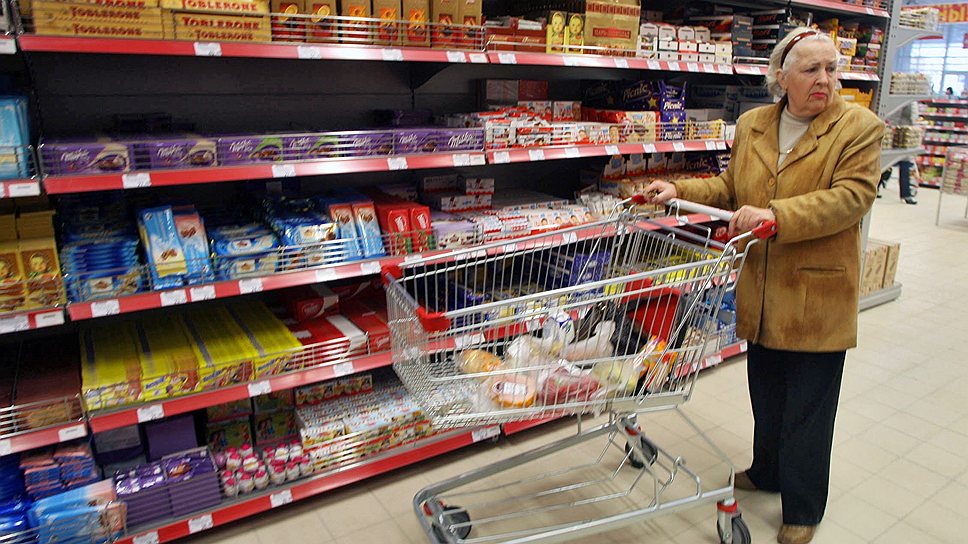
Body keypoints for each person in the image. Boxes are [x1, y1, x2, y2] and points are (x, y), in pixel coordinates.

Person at [646, 28, 882, 544]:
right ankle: (768, 470)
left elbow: (851, 198)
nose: (825, 80)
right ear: (781, 77)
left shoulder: (858, 127)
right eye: (811, 69)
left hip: (817, 293)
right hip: (763, 287)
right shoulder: (754, 124)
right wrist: (678, 188)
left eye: (832, 69)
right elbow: (730, 188)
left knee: (808, 409)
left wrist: (776, 215)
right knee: (768, 395)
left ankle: (803, 508)